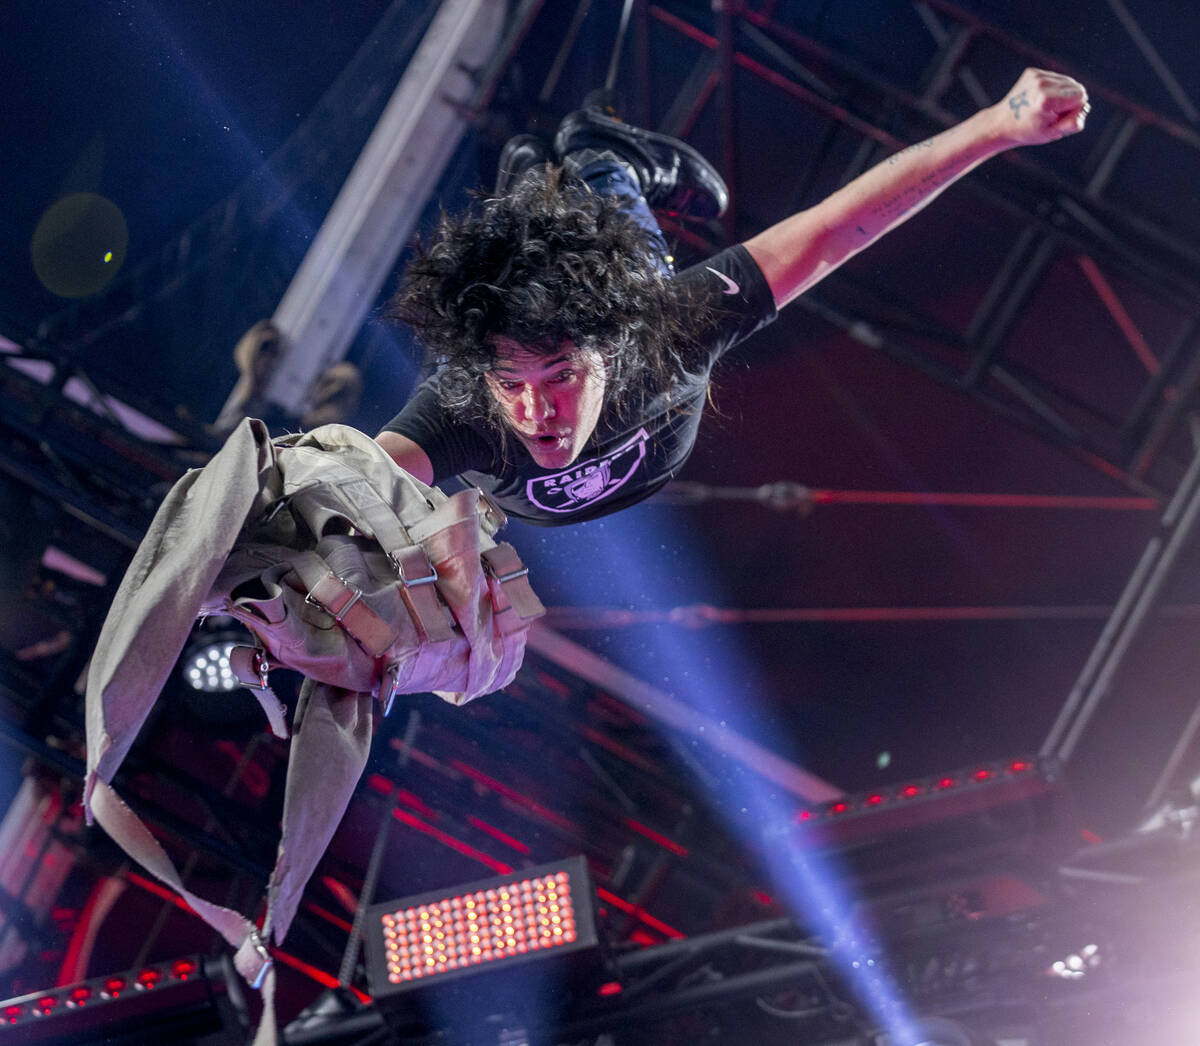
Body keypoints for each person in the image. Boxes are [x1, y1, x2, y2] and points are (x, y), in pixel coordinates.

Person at [375, 68, 1089, 525]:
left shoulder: (669, 328)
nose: (537, 412)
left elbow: (832, 231)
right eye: (512, 384)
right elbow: (348, 483)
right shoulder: (462, 406)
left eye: (561, 376)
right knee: (526, 233)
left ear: (604, 353)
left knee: (613, 240)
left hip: (628, 292)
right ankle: (532, 172)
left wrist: (996, 127)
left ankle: (603, 154)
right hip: (541, 307)